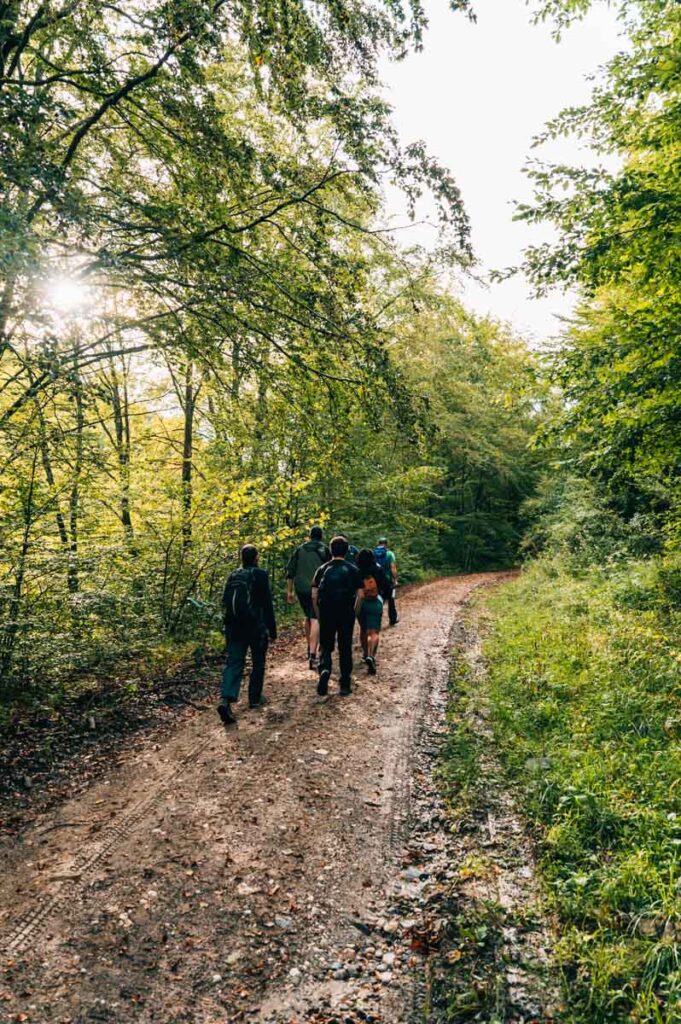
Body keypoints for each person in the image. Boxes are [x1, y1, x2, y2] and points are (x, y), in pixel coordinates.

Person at [218, 544, 277, 725]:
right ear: (256, 557)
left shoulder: (234, 575)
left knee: (234, 662)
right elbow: (267, 603)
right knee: (258, 661)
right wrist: (272, 629)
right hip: (255, 626)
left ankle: (226, 700)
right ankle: (254, 699)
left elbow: (225, 602)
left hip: (234, 627)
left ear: (241, 557)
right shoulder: (260, 574)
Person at [311, 536, 363, 697]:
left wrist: (318, 613)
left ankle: (325, 668)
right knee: (345, 646)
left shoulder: (322, 569)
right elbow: (360, 594)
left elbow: (314, 594)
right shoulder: (353, 569)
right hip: (346, 612)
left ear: (330, 550)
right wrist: (355, 612)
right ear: (347, 550)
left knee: (326, 645)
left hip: (326, 612)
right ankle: (345, 683)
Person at [286, 527, 331, 669]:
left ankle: (309, 646)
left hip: (301, 589)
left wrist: (290, 591)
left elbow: (290, 571)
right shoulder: (324, 550)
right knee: (316, 618)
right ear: (321, 536)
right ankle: (313, 654)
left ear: (309, 535)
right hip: (317, 589)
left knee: (308, 616)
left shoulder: (299, 549)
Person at [355, 547, 391, 675]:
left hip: (361, 603)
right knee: (374, 632)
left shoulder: (356, 570)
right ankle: (371, 656)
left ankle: (365, 654)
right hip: (375, 602)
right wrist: (384, 597)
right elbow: (387, 585)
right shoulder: (377, 569)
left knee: (364, 629)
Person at [373, 537, 399, 625]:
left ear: (378, 543)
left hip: (376, 581)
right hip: (387, 581)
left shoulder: (373, 554)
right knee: (391, 600)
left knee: (378, 600)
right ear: (386, 544)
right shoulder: (390, 554)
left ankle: (377, 621)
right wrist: (395, 579)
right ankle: (392, 619)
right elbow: (393, 568)